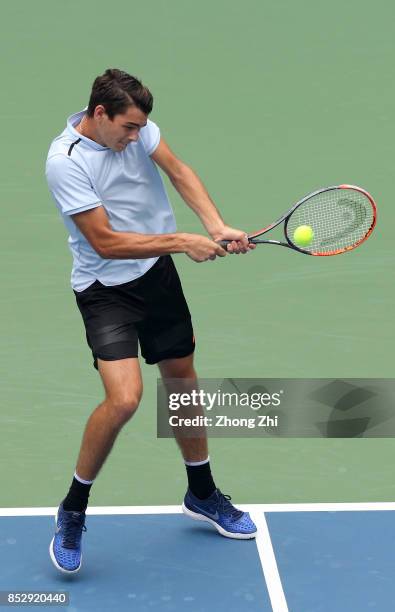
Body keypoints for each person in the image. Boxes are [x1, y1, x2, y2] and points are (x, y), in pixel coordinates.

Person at [45, 68, 257, 574]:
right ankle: (73, 508)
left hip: (156, 277)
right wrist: (184, 242)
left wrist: (215, 224)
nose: (137, 137)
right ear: (100, 114)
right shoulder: (65, 162)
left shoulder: (139, 131)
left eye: (142, 127)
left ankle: (202, 492)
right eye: (129, 128)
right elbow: (106, 242)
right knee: (124, 399)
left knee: (181, 382)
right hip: (104, 289)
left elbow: (179, 171)